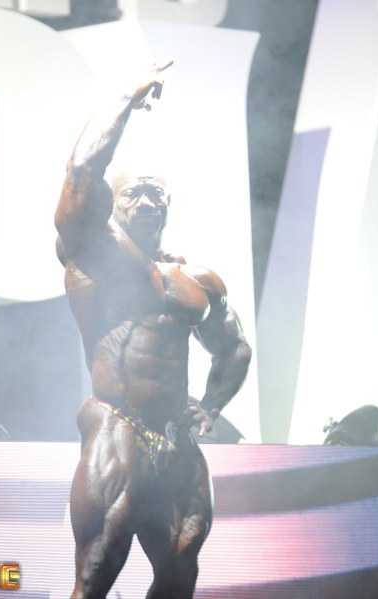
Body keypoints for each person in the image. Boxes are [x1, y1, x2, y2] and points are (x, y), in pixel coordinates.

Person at [54, 61, 252, 599]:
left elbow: (234, 349)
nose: (146, 202)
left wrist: (210, 407)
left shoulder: (196, 282)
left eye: (155, 194)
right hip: (117, 423)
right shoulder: (94, 255)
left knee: (181, 573)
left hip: (174, 437)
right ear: (112, 204)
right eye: (133, 194)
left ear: (169, 204)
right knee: (96, 573)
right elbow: (81, 172)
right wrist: (125, 98)